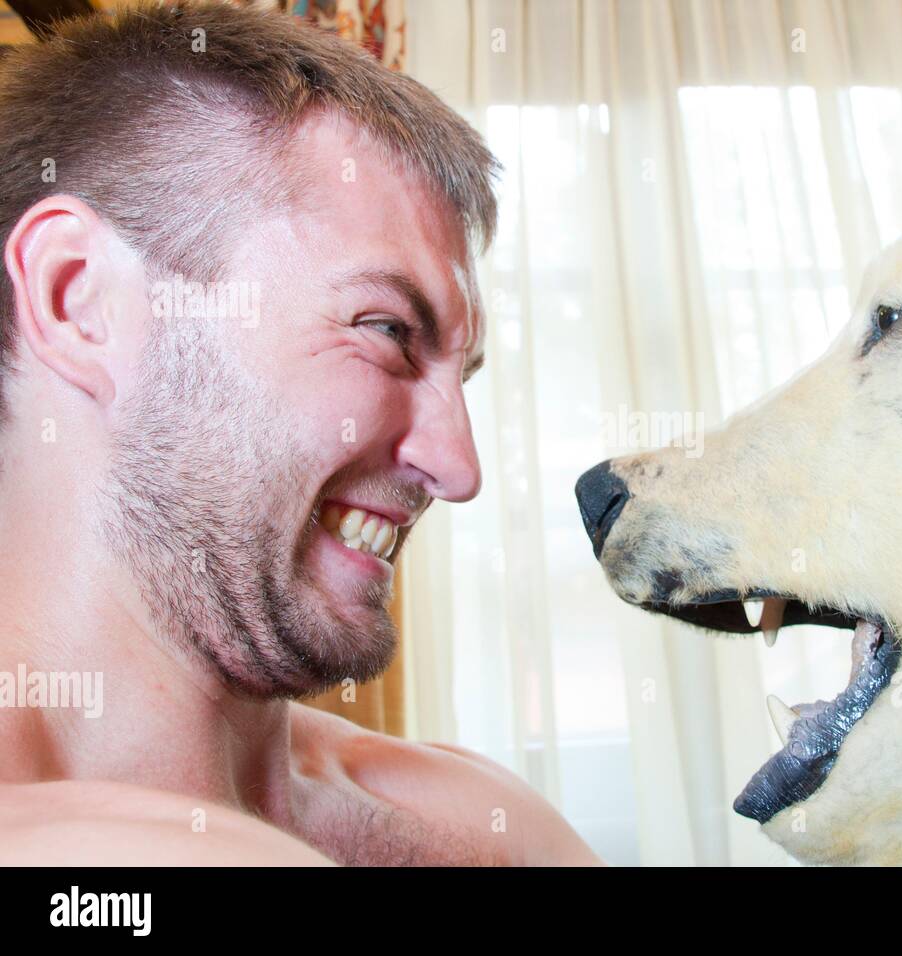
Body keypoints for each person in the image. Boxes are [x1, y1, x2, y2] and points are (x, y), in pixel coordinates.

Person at [0, 0, 601, 866]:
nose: (457, 468)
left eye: (461, 379)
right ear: (80, 300)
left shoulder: (487, 831)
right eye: (387, 330)